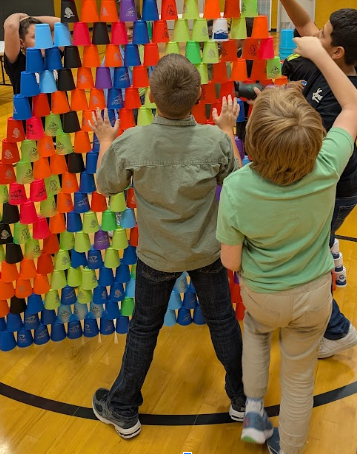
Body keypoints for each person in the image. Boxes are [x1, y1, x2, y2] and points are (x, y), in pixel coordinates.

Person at [217, 36, 357, 453]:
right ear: (316, 134)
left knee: (257, 339)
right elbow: (353, 105)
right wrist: (320, 54)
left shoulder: (237, 186)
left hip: (263, 293)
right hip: (313, 295)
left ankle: (254, 415)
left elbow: (230, 259)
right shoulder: (326, 166)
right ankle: (290, 446)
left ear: (251, 140)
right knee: (300, 377)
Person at [89, 53, 245, 439]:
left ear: (151, 96)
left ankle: (123, 407)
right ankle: (243, 398)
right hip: (207, 250)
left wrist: (106, 141)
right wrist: (227, 131)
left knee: (144, 328)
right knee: (223, 321)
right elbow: (238, 182)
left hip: (157, 255)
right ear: (197, 98)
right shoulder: (213, 139)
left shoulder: (131, 141)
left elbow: (106, 185)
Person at [266, 0, 357, 358]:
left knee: (307, 257)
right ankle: (329, 248)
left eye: (324, 36)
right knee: (319, 243)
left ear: (336, 53)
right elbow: (306, 23)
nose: (314, 34)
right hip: (331, 182)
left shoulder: (340, 96)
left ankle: (336, 330)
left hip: (336, 187)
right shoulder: (333, 64)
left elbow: (313, 156)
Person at [3, 13, 59, 94]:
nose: (42, 40)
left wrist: (29, 18)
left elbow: (59, 23)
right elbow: (11, 26)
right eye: (35, 37)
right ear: (21, 43)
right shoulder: (18, 64)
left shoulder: (52, 57)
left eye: (43, 35)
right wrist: (21, 16)